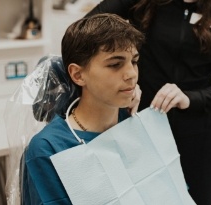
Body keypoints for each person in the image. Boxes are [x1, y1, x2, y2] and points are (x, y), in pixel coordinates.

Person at [85, 0, 211, 204]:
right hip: (138, 130)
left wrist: (190, 98)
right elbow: (84, 34)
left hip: (197, 141)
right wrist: (126, 78)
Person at [20, 13, 145, 204]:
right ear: (78, 75)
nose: (131, 74)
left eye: (134, 62)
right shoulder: (48, 148)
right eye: (115, 64)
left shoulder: (134, 126)